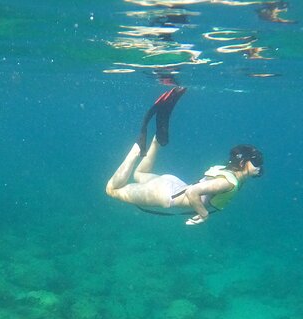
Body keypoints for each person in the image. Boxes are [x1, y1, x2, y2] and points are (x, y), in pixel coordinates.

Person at [105, 87, 263, 226]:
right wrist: (203, 214)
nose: (259, 166)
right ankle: (136, 151)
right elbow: (192, 192)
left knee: (140, 175)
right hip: (167, 194)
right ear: (243, 162)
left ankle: (157, 141)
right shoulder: (228, 183)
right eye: (256, 161)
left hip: (172, 186)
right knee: (111, 190)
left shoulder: (229, 172)